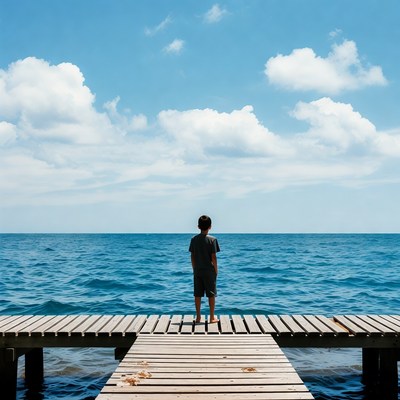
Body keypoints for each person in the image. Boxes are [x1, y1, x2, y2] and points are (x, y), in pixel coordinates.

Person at [189, 215, 220, 324]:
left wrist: (194, 268)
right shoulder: (213, 240)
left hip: (197, 270)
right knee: (211, 294)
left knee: (197, 294)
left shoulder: (194, 239)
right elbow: (213, 257)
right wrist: (216, 270)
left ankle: (198, 317)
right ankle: (211, 317)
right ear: (210, 227)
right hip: (209, 271)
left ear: (198, 226)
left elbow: (192, 256)